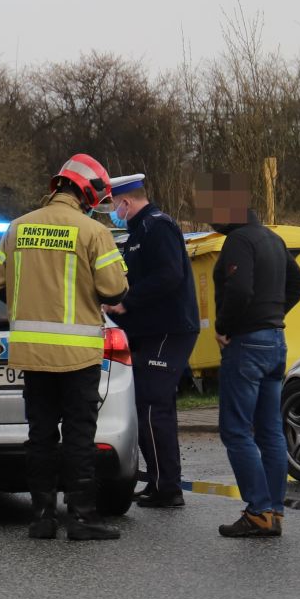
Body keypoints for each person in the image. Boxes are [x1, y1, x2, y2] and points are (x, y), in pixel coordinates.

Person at [0, 154, 128, 540]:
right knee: (79, 436)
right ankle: (82, 518)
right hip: (79, 356)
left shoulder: (18, 228)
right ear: (86, 190)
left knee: (41, 435)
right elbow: (114, 288)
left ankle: (42, 518)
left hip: (32, 354)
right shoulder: (92, 232)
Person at [198, 171, 300, 537]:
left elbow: (240, 290)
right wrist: (274, 313)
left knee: (235, 430)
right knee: (270, 431)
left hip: (246, 345)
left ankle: (258, 510)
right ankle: (273, 511)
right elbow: (299, 282)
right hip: (276, 341)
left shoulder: (239, 241)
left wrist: (226, 327)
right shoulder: (273, 240)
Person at [99, 174, 199, 508]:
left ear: (125, 202)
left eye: (113, 204)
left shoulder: (158, 226)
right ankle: (160, 482)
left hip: (168, 329)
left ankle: (167, 488)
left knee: (152, 405)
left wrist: (128, 301)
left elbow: (170, 275)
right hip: (149, 329)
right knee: (149, 404)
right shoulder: (138, 231)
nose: (113, 210)